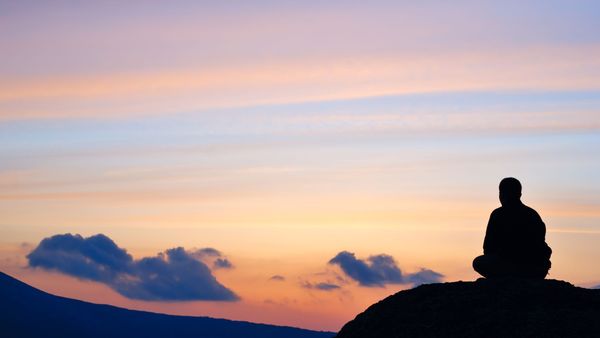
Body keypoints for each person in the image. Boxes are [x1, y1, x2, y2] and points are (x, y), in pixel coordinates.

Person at [473, 177, 552, 279]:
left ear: (518, 194)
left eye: (505, 193)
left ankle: (507, 277)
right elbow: (488, 247)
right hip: (532, 268)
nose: (502, 196)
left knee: (479, 262)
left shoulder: (498, 215)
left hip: (524, 265)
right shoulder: (532, 214)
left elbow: (488, 248)